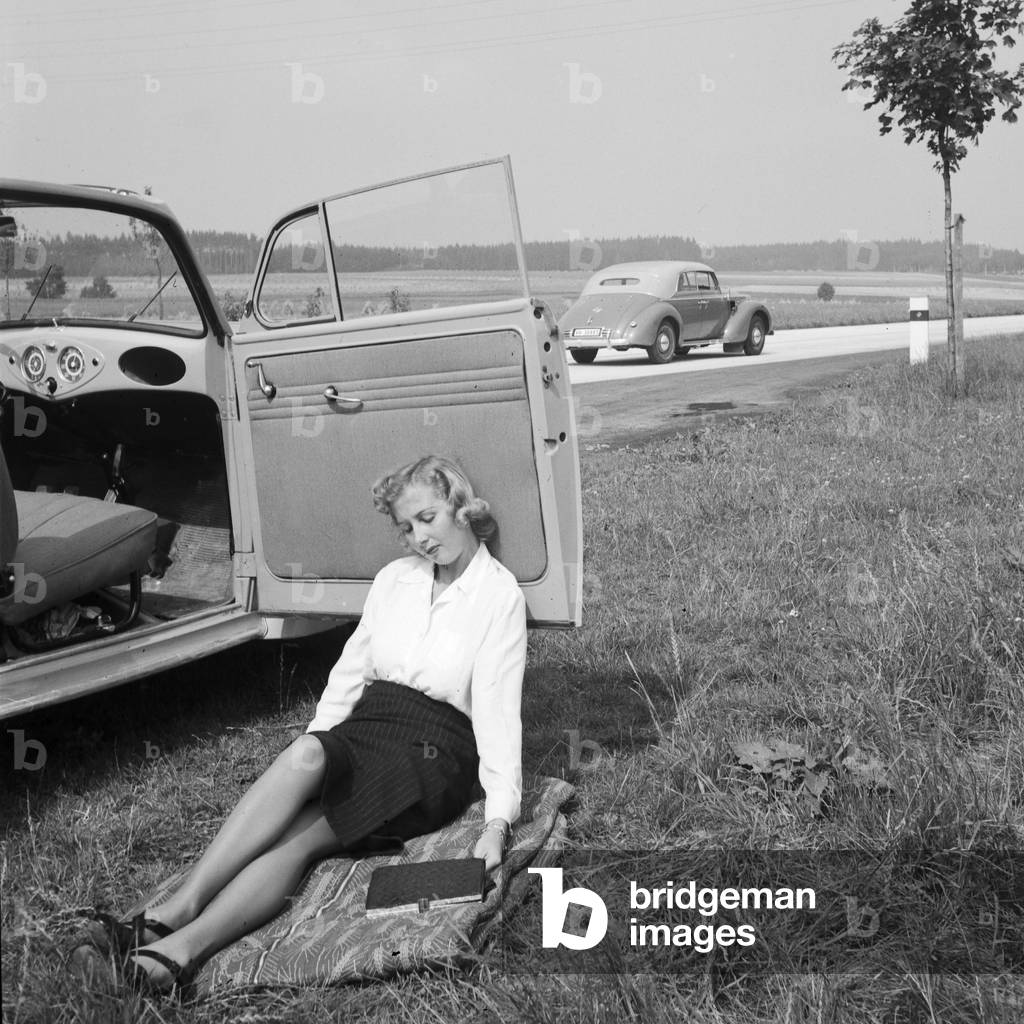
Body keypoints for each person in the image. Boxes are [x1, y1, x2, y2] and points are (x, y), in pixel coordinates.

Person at [76, 454, 526, 994]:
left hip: (434, 752)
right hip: (371, 724)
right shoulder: (395, 579)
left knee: (299, 839)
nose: (419, 538)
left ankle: (176, 953)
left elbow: (499, 713)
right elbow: (351, 672)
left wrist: (498, 822)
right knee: (307, 755)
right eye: (407, 528)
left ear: (459, 505)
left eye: (427, 518)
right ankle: (176, 908)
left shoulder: (498, 595)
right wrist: (312, 753)